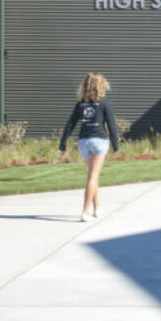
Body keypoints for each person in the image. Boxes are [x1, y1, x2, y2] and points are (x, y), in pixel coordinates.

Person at [59, 72, 120, 221]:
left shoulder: (80, 104)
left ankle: (97, 207)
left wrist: (62, 144)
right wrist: (115, 145)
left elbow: (70, 124)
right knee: (93, 176)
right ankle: (85, 212)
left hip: (83, 143)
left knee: (93, 175)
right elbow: (112, 125)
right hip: (99, 142)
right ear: (100, 86)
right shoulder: (104, 103)